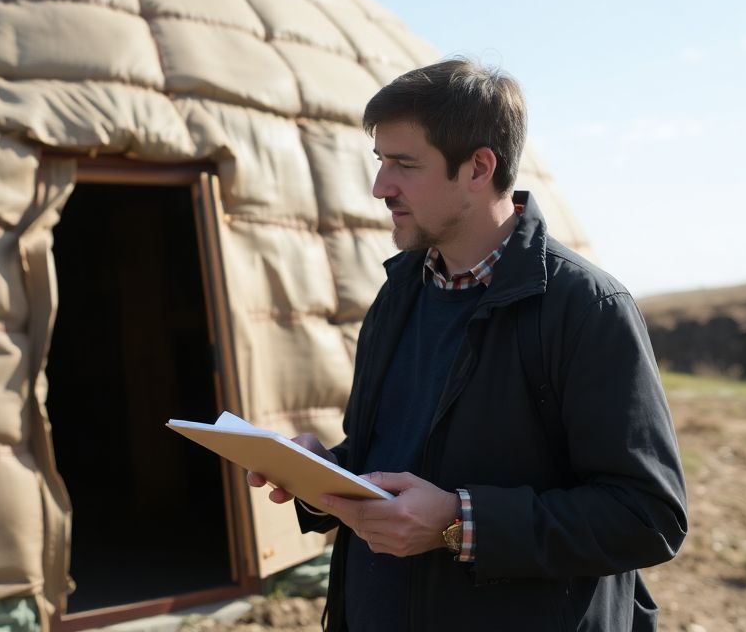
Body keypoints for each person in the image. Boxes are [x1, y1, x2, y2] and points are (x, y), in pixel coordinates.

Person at [247, 58, 688, 631]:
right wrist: (321, 472)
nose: (381, 187)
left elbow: (646, 515)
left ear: (479, 167)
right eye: (381, 162)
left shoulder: (585, 309)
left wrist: (461, 522)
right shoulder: (400, 293)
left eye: (405, 164)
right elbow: (395, 459)